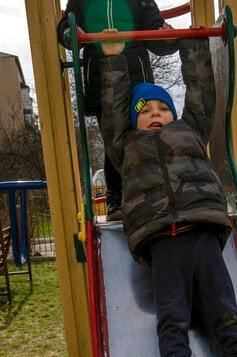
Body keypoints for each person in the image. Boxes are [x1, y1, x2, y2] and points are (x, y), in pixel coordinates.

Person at [99, 32, 237, 357]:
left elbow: (202, 93)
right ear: (134, 120)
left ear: (172, 113)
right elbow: (112, 111)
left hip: (202, 233)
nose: (154, 114)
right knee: (173, 317)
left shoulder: (190, 130)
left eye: (161, 108)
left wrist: (194, 43)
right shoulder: (125, 144)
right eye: (144, 110)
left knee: (224, 312)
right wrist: (113, 60)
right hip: (162, 241)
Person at [58, 0, 176, 221]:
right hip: (103, 81)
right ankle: (116, 198)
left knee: (145, 139)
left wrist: (167, 39)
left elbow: (154, 30)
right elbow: (67, 25)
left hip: (136, 82)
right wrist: (70, 31)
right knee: (113, 140)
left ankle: (154, 192)